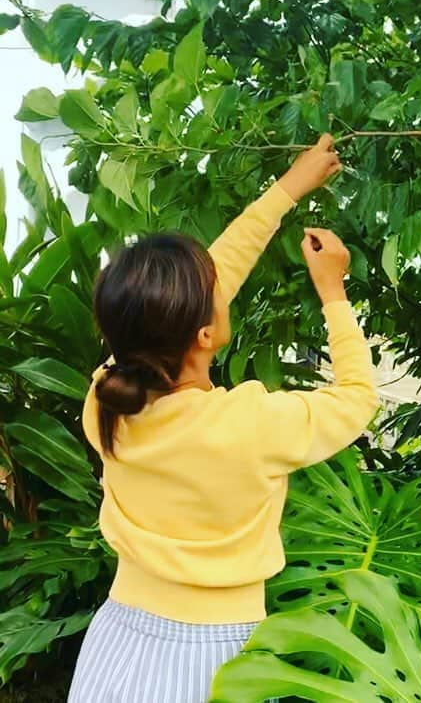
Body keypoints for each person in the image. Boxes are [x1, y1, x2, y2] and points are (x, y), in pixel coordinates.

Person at [67, 133, 379, 703]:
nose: (221, 283)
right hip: (219, 656)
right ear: (204, 333)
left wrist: (289, 188)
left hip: (118, 641)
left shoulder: (107, 398)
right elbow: (357, 397)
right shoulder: (249, 425)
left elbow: (201, 287)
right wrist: (333, 291)